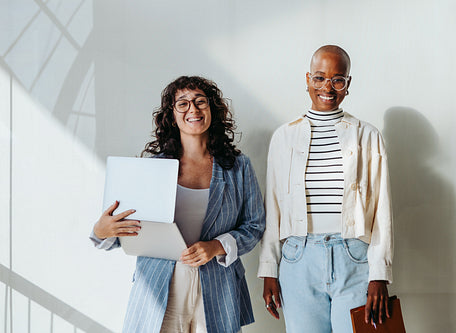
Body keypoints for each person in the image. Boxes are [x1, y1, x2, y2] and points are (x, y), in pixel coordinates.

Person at [90, 76, 265, 333]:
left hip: (218, 286)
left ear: (213, 111)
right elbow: (128, 230)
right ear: (172, 115)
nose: (193, 109)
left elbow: (254, 225)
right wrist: (101, 231)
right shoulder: (150, 168)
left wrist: (217, 246)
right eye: (182, 104)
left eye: (200, 102)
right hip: (159, 286)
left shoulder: (239, 167)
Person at [258, 45, 394, 333]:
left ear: (347, 84)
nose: (327, 88)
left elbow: (382, 209)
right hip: (298, 258)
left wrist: (379, 275)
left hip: (355, 257)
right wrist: (269, 269)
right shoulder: (284, 137)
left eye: (337, 79)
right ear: (307, 79)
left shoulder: (368, 136)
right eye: (319, 78)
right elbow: (274, 207)